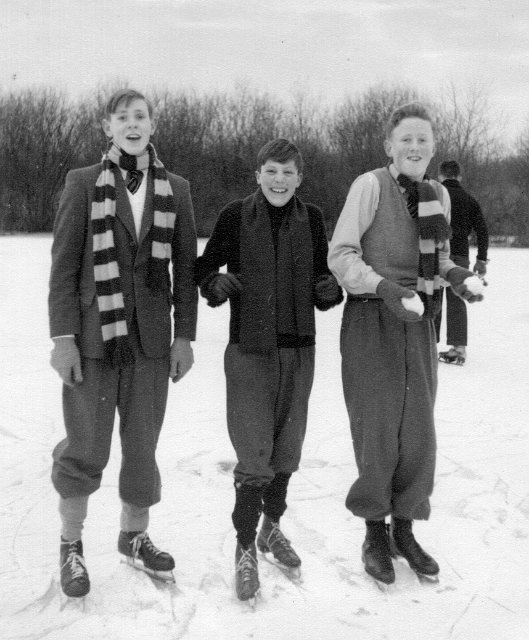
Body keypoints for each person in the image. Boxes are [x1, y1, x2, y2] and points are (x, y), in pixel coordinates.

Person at [48, 88, 198, 597]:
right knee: (85, 446)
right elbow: (63, 268)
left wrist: (184, 337)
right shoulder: (83, 182)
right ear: (107, 126)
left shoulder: (176, 189)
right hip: (94, 340)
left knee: (142, 446)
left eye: (140, 116)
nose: (132, 125)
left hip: (151, 343)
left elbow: (185, 272)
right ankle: (71, 544)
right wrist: (63, 339)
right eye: (122, 117)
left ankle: (134, 536)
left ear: (153, 125)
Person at [328, 102, 483, 586]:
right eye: (406, 139)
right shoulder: (370, 185)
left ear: (433, 148)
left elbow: (439, 257)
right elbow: (341, 254)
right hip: (373, 315)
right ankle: (374, 530)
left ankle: (405, 528)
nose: (415, 147)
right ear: (389, 146)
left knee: (418, 429)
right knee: (377, 425)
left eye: (423, 140)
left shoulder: (440, 194)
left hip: (419, 320)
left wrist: (457, 276)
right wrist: (383, 287)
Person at [195, 138, 343, 601]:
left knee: (287, 448)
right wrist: (215, 283)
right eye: (272, 171)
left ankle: (271, 527)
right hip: (250, 350)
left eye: (288, 172)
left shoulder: (312, 219)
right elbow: (203, 268)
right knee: (253, 451)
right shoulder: (235, 215)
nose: (279, 180)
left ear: (300, 178)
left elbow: (324, 275)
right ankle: (245, 546)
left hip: (299, 350)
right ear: (257, 174)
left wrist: (329, 290)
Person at [435, 160, 489, 365]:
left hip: (435, 254)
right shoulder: (469, 199)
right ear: (459, 177)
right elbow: (482, 231)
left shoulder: (435, 196)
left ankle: (428, 344)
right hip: (460, 256)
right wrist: (481, 259)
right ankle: (458, 349)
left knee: (432, 297)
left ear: (440, 176)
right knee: (457, 298)